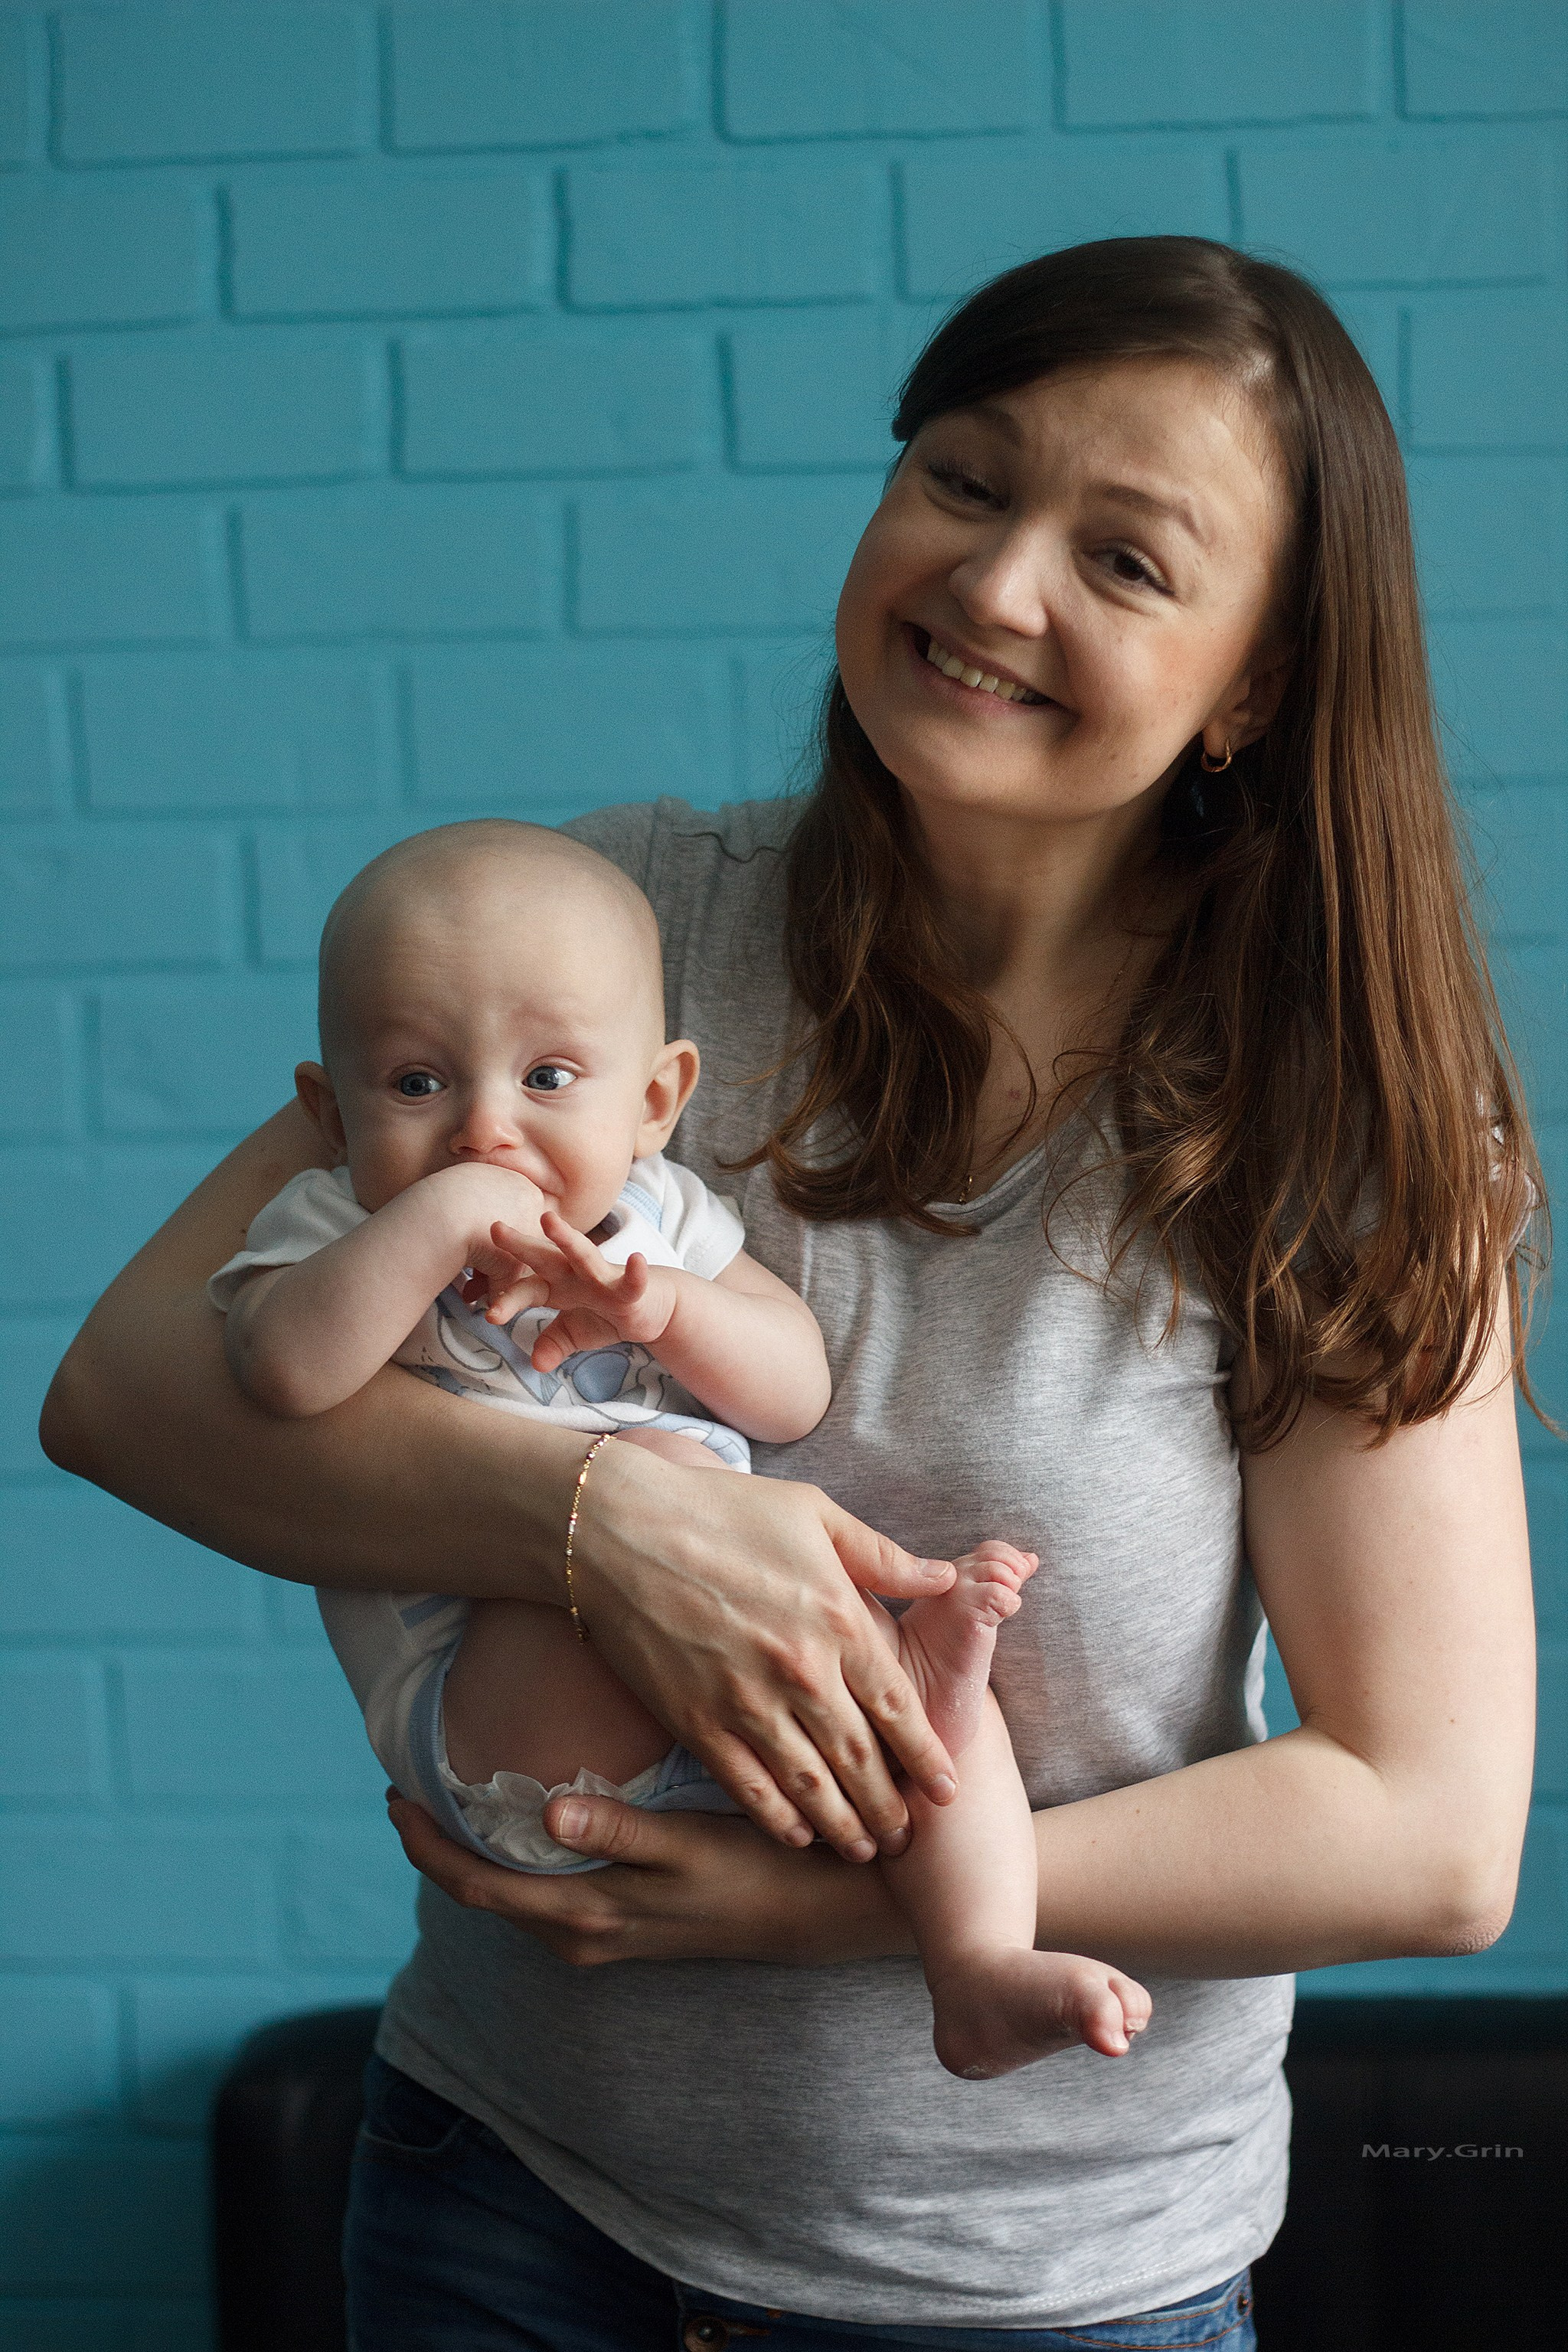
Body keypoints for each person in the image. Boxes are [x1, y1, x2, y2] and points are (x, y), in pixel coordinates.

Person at [42, 237, 1540, 2346]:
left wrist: (829, 1908)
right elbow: (126, 1390)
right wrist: (606, 1519)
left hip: (1029, 2288)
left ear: (1261, 678)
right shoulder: (604, 919)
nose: (997, 583)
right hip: (505, 2199)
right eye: (961, 476)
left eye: (1124, 561)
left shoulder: (1346, 1125)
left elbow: (1430, 1829)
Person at [205, 818, 1149, 2076]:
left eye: (548, 1080)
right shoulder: (333, 1221)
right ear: (330, 1111)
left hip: (750, 1715)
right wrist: (431, 1228)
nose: (486, 1132)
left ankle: (977, 1969)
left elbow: (791, 1390)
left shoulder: (661, 1220)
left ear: (654, 1104)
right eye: (418, 1085)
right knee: (680, 1504)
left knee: (932, 1724)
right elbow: (281, 1370)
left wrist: (667, 1311)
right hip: (502, 1710)